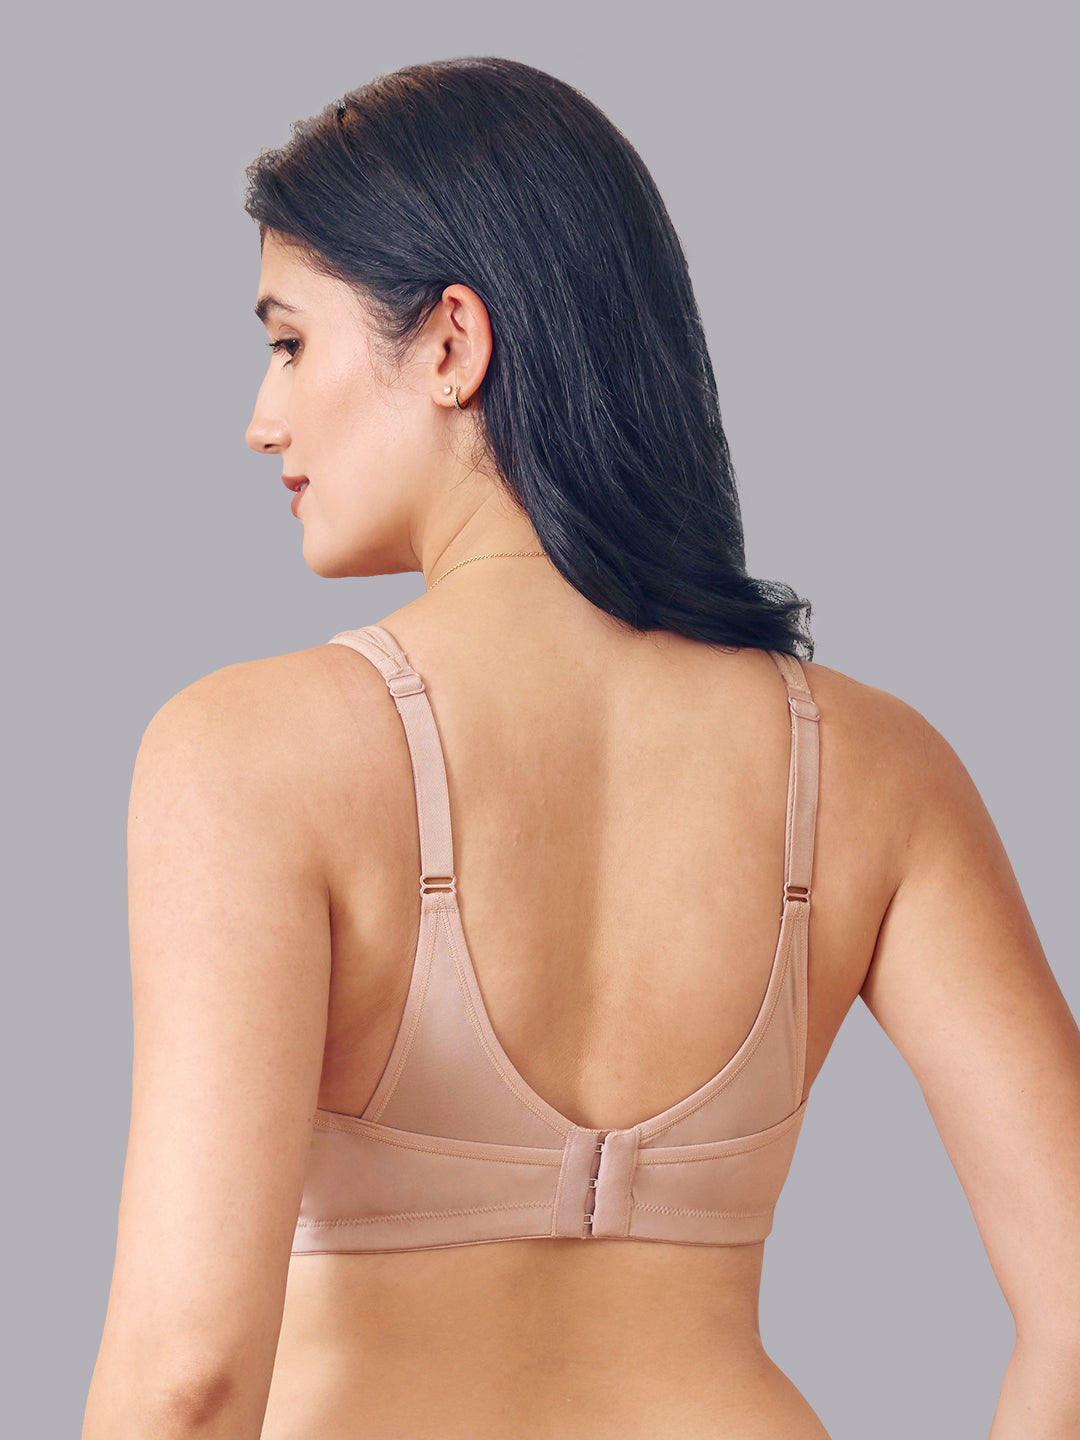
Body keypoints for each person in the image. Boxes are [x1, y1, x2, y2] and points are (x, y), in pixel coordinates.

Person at [81, 55, 1080, 1440]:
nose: (263, 420)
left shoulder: (247, 757)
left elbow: (187, 1377)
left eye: (291, 343)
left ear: (451, 343)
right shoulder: (877, 767)